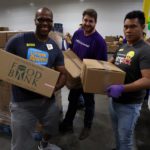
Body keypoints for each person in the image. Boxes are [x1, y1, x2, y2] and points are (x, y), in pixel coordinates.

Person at [5, 7, 66, 150]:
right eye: (41, 19)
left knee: (51, 128)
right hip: (22, 104)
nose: (45, 23)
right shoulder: (18, 41)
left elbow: (63, 73)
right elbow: (5, 64)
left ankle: (43, 145)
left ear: (52, 23)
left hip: (47, 102)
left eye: (48, 20)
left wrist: (55, 88)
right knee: (20, 144)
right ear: (35, 21)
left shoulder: (54, 47)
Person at [60, 8, 107, 140]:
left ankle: (87, 126)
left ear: (95, 22)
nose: (87, 23)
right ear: (82, 20)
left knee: (89, 103)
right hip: (75, 77)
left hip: (88, 79)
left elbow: (101, 64)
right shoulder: (78, 33)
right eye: (85, 20)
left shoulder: (99, 42)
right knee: (72, 100)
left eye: (90, 21)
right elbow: (72, 51)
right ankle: (68, 123)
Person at [106, 10, 150, 150]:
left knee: (126, 140)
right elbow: (110, 62)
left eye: (133, 26)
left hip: (129, 105)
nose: (128, 30)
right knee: (117, 134)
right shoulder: (123, 46)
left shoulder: (145, 50)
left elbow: (148, 80)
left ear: (142, 27)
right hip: (114, 100)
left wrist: (122, 88)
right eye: (125, 27)